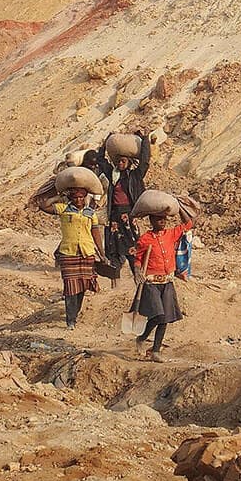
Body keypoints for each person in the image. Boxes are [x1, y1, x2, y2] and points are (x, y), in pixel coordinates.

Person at [131, 212, 193, 361]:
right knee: (158, 315)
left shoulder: (171, 234)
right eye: (158, 219)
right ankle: (142, 337)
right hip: (151, 283)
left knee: (165, 318)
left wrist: (179, 209)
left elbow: (189, 223)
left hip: (167, 282)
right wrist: (137, 271)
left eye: (164, 219)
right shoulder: (145, 239)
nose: (162, 222)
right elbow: (138, 259)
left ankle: (155, 351)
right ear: (151, 220)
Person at [53, 186, 106, 330]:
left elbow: (96, 234)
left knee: (82, 285)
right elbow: (44, 206)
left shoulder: (90, 213)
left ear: (85, 198)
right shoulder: (63, 209)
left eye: (81, 197)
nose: (78, 200)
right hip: (68, 253)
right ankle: (70, 320)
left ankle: (75, 314)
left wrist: (101, 253)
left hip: (86, 252)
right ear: (71, 198)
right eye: (75, 197)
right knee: (70, 286)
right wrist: (57, 195)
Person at [99, 151, 147, 284]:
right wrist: (104, 145)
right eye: (119, 161)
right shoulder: (113, 175)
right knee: (113, 246)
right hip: (114, 216)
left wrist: (144, 140)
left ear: (129, 162)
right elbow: (101, 160)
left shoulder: (133, 176)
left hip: (128, 216)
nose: (120, 163)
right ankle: (115, 278)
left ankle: (138, 276)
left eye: (123, 161)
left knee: (133, 247)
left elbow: (145, 163)